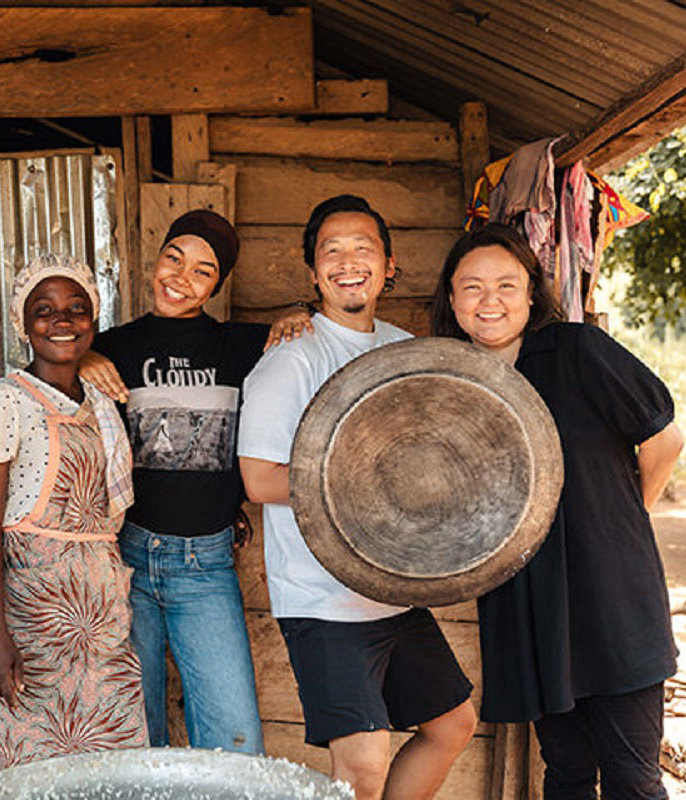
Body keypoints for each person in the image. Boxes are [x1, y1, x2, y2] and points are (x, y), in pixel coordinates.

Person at [430, 223, 685, 800]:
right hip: (527, 606)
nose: (489, 301)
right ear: (451, 298)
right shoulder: (449, 383)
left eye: (506, 285)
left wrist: (622, 527)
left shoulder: (577, 350)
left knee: (632, 779)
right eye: (472, 287)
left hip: (610, 595)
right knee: (566, 776)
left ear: (530, 294)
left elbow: (664, 441)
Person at [238, 195, 477, 800]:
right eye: (331, 251)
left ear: (389, 265)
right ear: (314, 272)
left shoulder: (404, 351)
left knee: (452, 725)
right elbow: (260, 478)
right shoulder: (289, 360)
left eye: (362, 248)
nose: (348, 262)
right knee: (364, 767)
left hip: (394, 592)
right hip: (322, 600)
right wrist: (362, 486)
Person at [78, 209, 310, 753]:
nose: (181, 278)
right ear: (155, 260)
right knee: (133, 733)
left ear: (217, 285)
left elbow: (315, 334)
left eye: (202, 271)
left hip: (204, 566)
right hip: (125, 560)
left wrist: (298, 312)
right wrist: (82, 356)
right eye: (174, 259)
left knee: (235, 739)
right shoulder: (112, 346)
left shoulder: (242, 346)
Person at [0, 253, 149, 781]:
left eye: (76, 308)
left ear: (94, 319)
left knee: (104, 774)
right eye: (45, 310)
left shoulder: (103, 405)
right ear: (24, 324)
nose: (62, 321)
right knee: (22, 774)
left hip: (98, 620)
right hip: (24, 619)